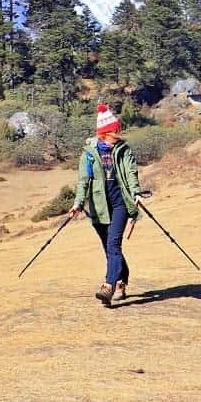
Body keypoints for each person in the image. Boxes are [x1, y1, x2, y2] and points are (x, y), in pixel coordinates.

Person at [69, 103, 143, 306]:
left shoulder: (123, 150)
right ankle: (122, 280)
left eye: (118, 131)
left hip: (120, 203)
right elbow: (83, 181)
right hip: (99, 207)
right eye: (114, 132)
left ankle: (108, 286)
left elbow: (131, 172)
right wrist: (77, 204)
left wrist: (136, 192)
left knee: (113, 244)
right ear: (103, 134)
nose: (118, 135)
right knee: (110, 248)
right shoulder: (88, 154)